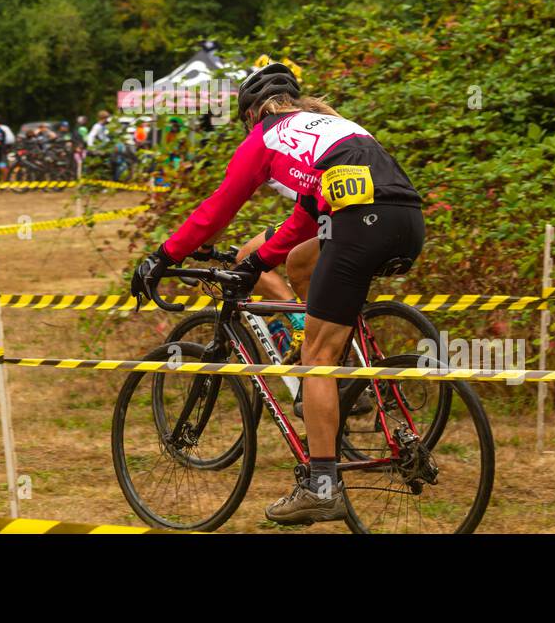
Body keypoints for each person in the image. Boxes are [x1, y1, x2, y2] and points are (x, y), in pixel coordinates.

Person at [129, 62, 424, 526]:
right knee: (303, 262)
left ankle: (320, 486)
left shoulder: (265, 138)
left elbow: (218, 208)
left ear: (252, 114)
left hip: (360, 221)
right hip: (406, 222)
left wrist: (163, 256)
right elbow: (308, 218)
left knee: (315, 357)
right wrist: (255, 262)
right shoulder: (331, 128)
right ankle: (353, 384)